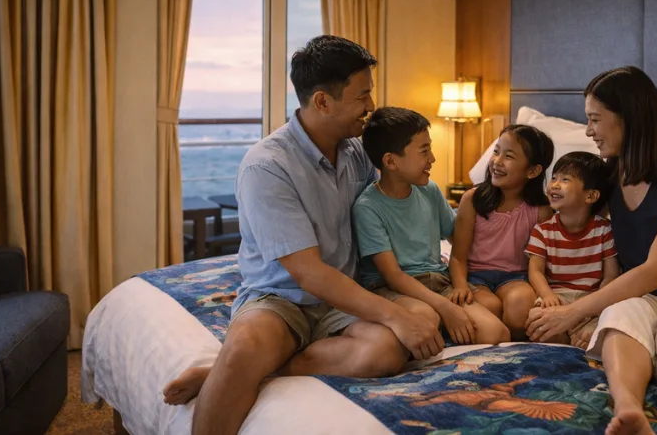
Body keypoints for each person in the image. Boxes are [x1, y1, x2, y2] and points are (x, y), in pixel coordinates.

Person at [162, 36, 444, 435]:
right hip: (280, 298)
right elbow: (308, 273)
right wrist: (395, 314)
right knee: (244, 348)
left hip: (344, 296)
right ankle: (241, 367)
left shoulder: (357, 153)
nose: (371, 105)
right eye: (362, 96)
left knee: (385, 350)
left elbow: (393, 196)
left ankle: (242, 373)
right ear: (323, 102)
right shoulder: (267, 166)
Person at [525, 66, 657, 435]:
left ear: (629, 117)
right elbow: (572, 219)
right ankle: (629, 413)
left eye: (595, 119)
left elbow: (656, 270)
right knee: (620, 318)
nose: (588, 131)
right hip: (644, 296)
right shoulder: (613, 175)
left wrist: (574, 312)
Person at [353, 107, 511, 346]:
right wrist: (446, 307)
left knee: (496, 334)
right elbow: (393, 276)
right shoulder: (367, 207)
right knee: (427, 316)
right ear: (391, 161)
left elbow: (458, 239)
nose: (433, 158)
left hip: (438, 281)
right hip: (394, 288)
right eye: (424, 151)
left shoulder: (429, 190)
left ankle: (447, 333)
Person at [448, 124, 555, 340]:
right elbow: (458, 256)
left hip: (516, 277)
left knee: (520, 307)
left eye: (509, 156)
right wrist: (460, 286)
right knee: (490, 306)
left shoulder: (541, 210)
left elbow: (541, 261)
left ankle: (516, 350)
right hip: (476, 277)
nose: (497, 161)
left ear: (532, 171)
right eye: (496, 152)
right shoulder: (472, 199)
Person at [525, 151, 621, 348]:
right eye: (554, 178)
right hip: (557, 297)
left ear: (591, 195)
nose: (555, 184)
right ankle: (564, 339)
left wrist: (598, 303)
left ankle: (581, 337)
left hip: (591, 299)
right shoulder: (543, 230)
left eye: (565, 179)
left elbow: (611, 276)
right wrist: (547, 295)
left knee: (607, 325)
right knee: (536, 318)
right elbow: (535, 271)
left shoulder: (604, 230)